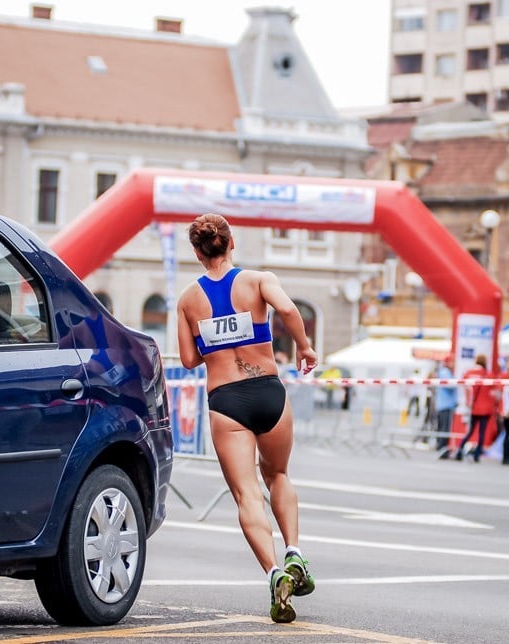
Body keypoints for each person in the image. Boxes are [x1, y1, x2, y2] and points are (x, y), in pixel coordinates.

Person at [176, 213, 317, 624]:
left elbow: (187, 360)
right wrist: (305, 348)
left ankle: (274, 573)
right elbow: (288, 310)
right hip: (269, 391)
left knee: (246, 495)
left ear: (197, 252)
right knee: (278, 477)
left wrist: (217, 338)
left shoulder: (188, 300)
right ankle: (294, 552)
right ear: (230, 242)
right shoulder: (258, 280)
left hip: (227, 400)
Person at [454, 354, 498, 462]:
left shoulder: (469, 373)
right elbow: (494, 392)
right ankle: (477, 455)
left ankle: (459, 450)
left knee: (470, 431)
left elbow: (464, 386)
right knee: (481, 433)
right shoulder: (488, 374)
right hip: (486, 408)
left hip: (473, 407)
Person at [435, 353, 458, 459]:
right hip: (446, 405)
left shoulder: (444, 372)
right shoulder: (445, 372)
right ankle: (442, 450)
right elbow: (450, 385)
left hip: (444, 404)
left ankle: (441, 448)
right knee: (445, 428)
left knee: (442, 427)